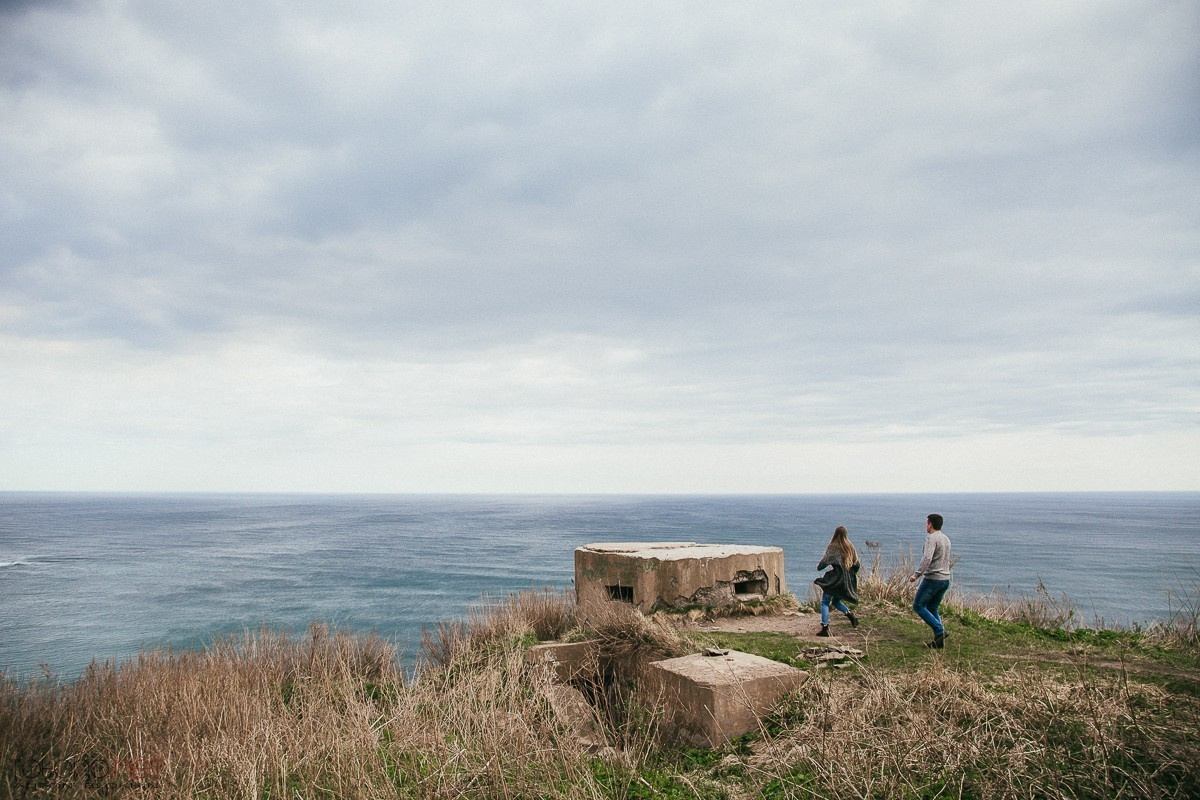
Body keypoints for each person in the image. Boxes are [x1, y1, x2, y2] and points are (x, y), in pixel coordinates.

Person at [909, 513, 952, 648]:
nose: (926, 525)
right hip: (945, 579)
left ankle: (940, 630)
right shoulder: (946, 539)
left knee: (918, 606)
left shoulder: (931, 538)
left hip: (933, 579)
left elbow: (927, 558)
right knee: (932, 607)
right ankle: (939, 642)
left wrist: (917, 574)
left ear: (930, 524)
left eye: (926, 523)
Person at [813, 525, 860, 637]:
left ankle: (825, 627)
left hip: (835, 579)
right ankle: (850, 615)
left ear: (835, 534)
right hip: (847, 580)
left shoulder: (833, 547)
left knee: (825, 602)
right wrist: (851, 574)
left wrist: (819, 566)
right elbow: (857, 564)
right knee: (836, 601)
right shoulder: (850, 547)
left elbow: (823, 564)